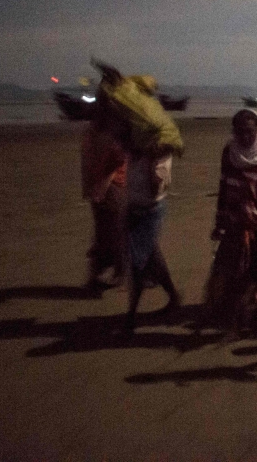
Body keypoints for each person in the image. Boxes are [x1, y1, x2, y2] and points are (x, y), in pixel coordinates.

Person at [203, 109, 257, 337]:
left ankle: (252, 320)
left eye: (249, 131)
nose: (245, 137)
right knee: (229, 274)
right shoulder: (229, 154)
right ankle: (232, 319)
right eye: (240, 132)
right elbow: (223, 187)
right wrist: (219, 222)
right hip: (233, 226)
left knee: (254, 276)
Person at [122, 144, 181, 336]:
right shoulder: (132, 147)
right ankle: (173, 297)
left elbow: (157, 187)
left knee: (139, 263)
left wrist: (151, 160)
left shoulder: (160, 150)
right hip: (133, 207)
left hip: (149, 211)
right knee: (150, 257)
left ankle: (131, 316)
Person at [81, 99, 129, 293]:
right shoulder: (111, 133)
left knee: (103, 232)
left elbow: (89, 161)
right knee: (114, 231)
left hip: (98, 187)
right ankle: (116, 273)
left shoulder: (92, 131)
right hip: (110, 187)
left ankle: (100, 274)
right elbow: (117, 160)